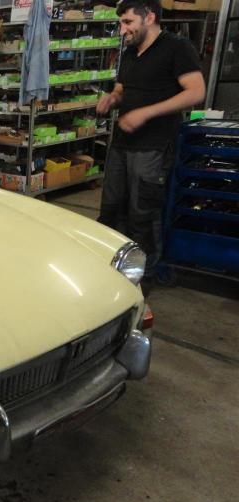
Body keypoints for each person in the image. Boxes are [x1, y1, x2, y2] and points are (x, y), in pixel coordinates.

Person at [96, 0, 205, 295]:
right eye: (121, 23)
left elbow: (196, 92)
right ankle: (109, 269)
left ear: (149, 18)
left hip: (153, 146)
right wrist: (112, 99)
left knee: (142, 213)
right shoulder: (130, 52)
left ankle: (143, 278)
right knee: (111, 208)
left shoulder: (177, 48)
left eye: (128, 23)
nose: (123, 30)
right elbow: (122, 88)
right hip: (122, 143)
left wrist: (146, 113)